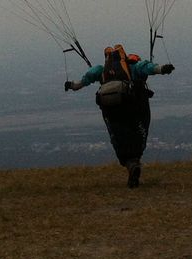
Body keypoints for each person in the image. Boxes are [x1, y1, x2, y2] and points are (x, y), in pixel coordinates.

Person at [65, 44, 175, 188]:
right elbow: (148, 67)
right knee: (137, 137)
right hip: (133, 108)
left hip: (112, 111)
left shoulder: (100, 70)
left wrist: (71, 85)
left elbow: (83, 81)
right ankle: (134, 162)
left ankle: (131, 165)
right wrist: (163, 69)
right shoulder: (134, 67)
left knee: (119, 140)